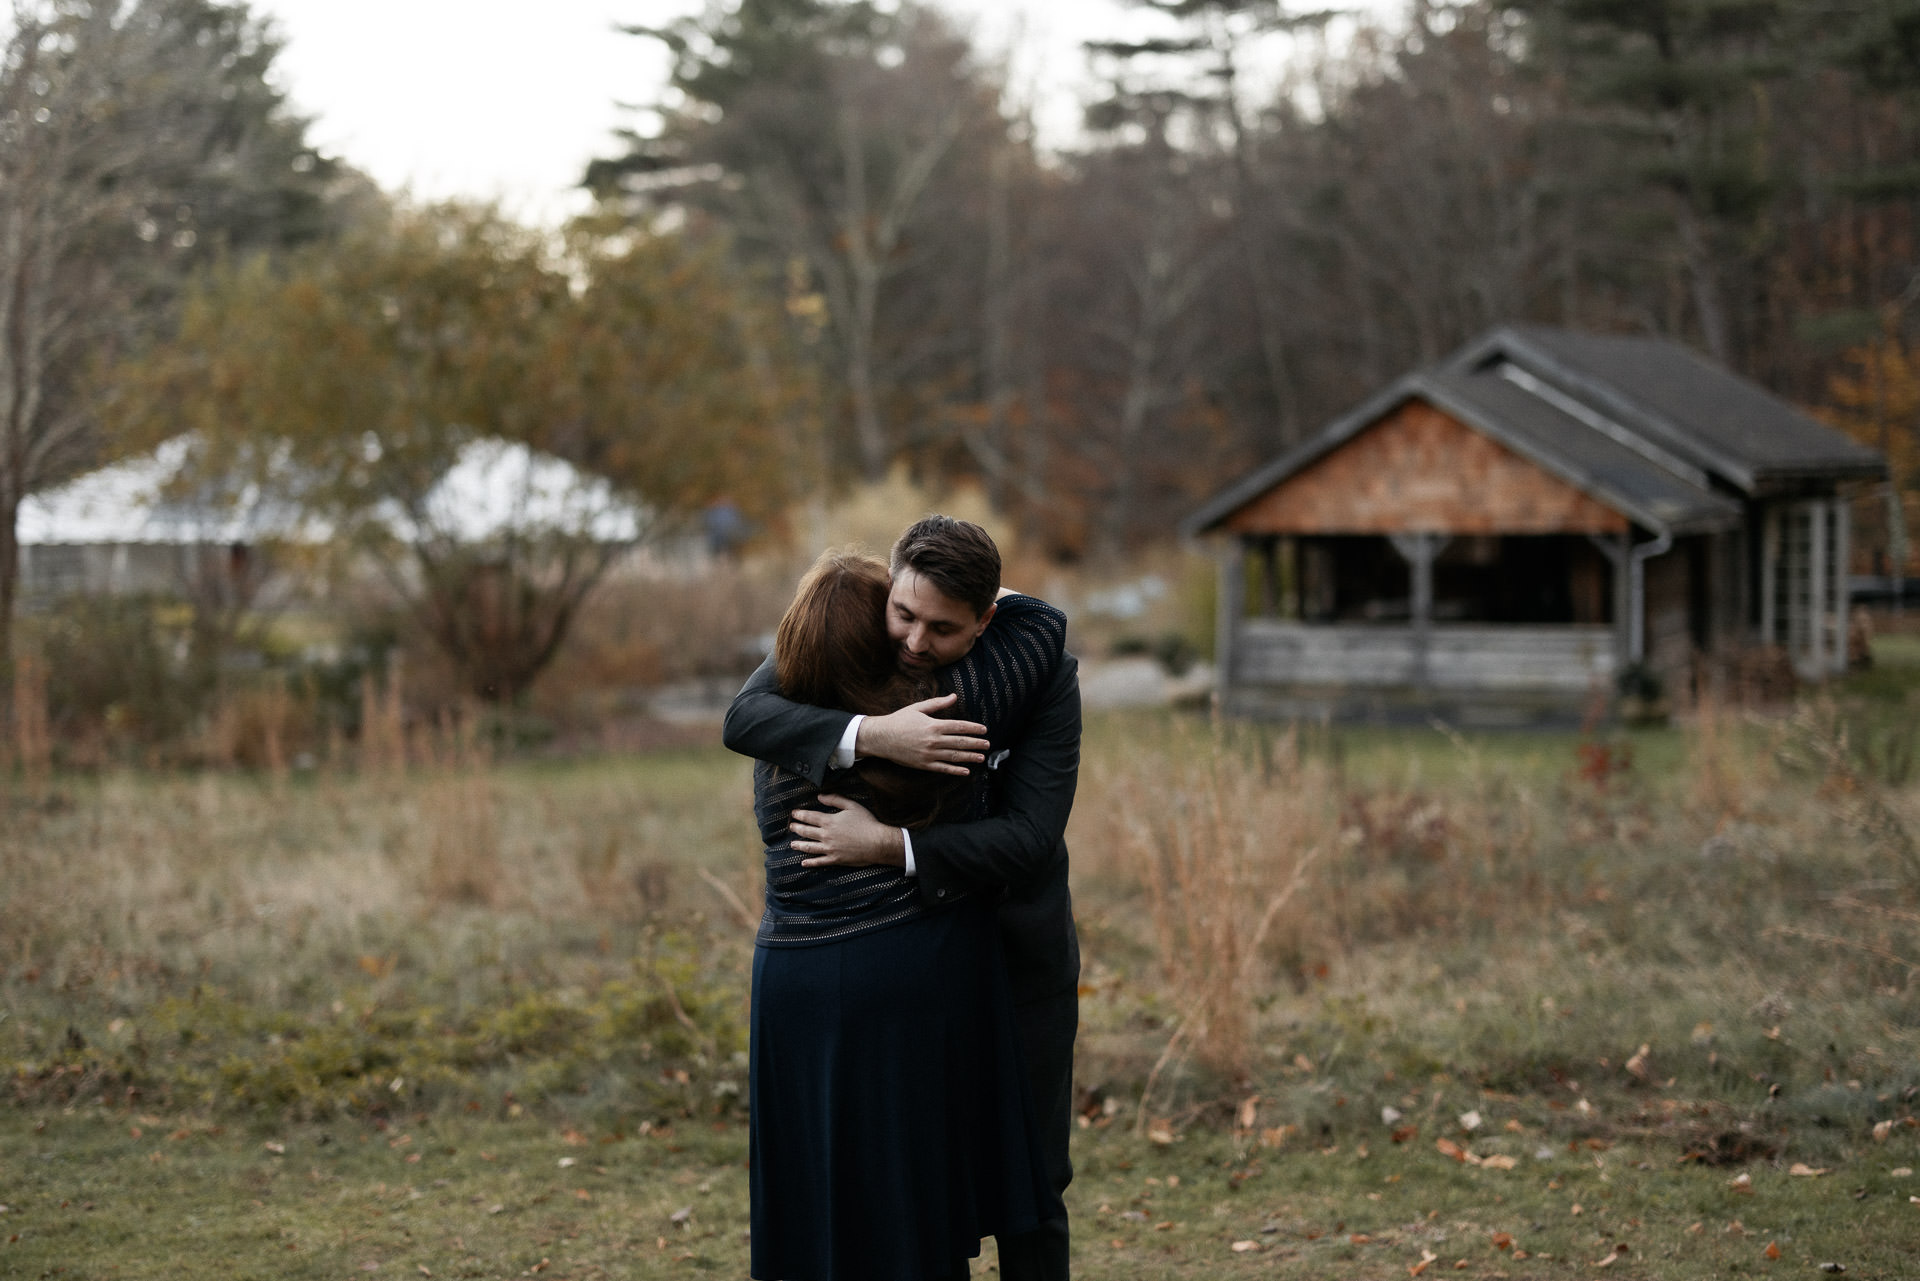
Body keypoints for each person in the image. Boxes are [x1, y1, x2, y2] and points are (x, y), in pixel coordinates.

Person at [726, 516, 1081, 1281]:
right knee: (916, 1187)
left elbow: (1029, 839)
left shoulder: (1037, 670)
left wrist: (891, 845)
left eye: (943, 628)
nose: (916, 642)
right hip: (920, 961)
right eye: (904, 614)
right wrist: (872, 734)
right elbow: (744, 715)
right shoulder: (837, 654)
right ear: (889, 585)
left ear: (987, 617)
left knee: (1036, 1179)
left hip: (1018, 953)